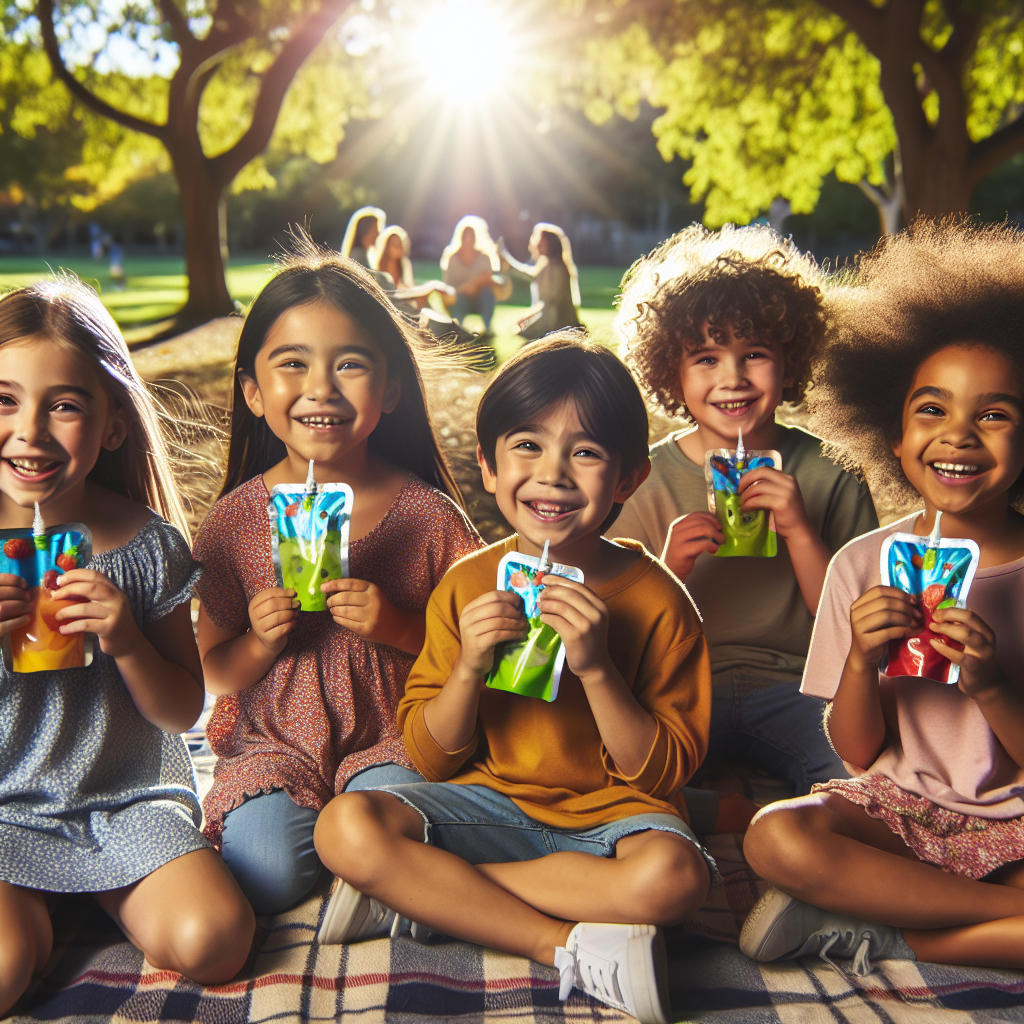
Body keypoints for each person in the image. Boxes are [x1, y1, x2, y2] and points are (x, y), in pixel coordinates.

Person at [313, 336, 716, 1024]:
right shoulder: (468, 583)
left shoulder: (659, 598)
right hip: (490, 807)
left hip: (613, 822)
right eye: (527, 446)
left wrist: (596, 667)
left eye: (585, 453)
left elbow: (660, 774)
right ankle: (558, 943)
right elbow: (433, 757)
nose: (553, 473)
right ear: (489, 466)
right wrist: (469, 667)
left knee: (678, 880)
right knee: (344, 826)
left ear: (628, 479)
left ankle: (426, 896)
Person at [740, 219, 1024, 974]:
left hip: (1019, 823)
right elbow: (860, 751)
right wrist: (863, 663)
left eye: (994, 414)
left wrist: (991, 684)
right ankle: (974, 915)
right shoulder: (862, 564)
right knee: (774, 836)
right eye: (932, 410)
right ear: (891, 438)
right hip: (898, 811)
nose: (958, 436)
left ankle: (890, 928)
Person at [193, 236, 481, 917]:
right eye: (292, 365)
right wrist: (260, 642)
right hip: (275, 747)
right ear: (254, 393)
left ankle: (378, 867)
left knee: (396, 819)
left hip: (395, 737)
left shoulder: (428, 517)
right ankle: (385, 881)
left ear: (391, 389)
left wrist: (396, 624)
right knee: (264, 875)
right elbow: (215, 671)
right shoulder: (234, 523)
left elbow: (473, 652)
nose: (320, 388)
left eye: (349, 364)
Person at [0, 278, 254, 1013]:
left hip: (126, 799)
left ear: (112, 422)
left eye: (66, 405)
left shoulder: (145, 545)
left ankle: (87, 894)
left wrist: (128, 639)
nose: (31, 431)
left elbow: (182, 710)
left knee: (217, 940)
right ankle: (36, 911)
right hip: (5, 805)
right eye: (6, 399)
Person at [613, 225, 878, 836]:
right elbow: (620, 628)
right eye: (705, 359)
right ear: (671, 374)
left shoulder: (832, 472)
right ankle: (728, 815)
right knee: (613, 768)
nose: (731, 378)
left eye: (754, 353)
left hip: (799, 687)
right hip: (679, 686)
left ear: (790, 364)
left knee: (864, 778)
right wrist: (665, 569)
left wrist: (802, 534)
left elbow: (858, 632)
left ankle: (797, 851)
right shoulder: (641, 478)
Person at [499, 223, 581, 339]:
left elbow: (550, 302)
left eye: (541, 241)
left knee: (524, 333)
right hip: (549, 315)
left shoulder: (557, 267)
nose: (537, 244)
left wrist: (527, 317)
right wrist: (506, 258)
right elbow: (528, 275)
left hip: (557, 320)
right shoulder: (546, 263)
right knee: (520, 331)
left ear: (550, 244)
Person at [440, 215, 506, 335]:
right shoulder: (453, 258)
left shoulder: (484, 257)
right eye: (466, 236)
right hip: (459, 299)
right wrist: (465, 288)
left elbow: (489, 278)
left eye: (472, 236)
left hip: (479, 300)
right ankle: (457, 329)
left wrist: (476, 284)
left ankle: (487, 329)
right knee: (458, 298)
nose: (469, 239)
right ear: (461, 237)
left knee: (487, 292)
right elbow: (447, 286)